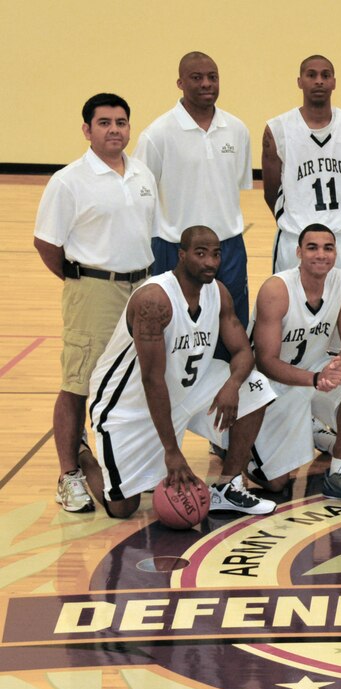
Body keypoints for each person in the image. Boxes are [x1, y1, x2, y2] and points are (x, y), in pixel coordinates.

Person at [87, 226, 277, 519]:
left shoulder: (218, 293)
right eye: (200, 253)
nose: (210, 262)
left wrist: (232, 385)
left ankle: (227, 485)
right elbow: (152, 380)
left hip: (187, 388)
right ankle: (82, 455)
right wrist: (172, 451)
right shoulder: (154, 301)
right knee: (123, 508)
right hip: (130, 404)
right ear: (181, 255)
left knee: (255, 386)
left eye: (216, 254)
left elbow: (242, 352)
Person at [34, 93, 158, 513]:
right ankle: (69, 474)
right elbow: (46, 243)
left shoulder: (142, 173)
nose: (114, 130)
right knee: (78, 382)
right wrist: (83, 281)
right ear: (87, 130)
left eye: (121, 122)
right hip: (94, 289)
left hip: (140, 287)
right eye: (103, 123)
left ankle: (126, 459)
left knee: (136, 378)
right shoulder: (68, 180)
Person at [249, 224, 341, 507]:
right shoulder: (276, 289)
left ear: (336, 253)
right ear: (298, 252)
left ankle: (339, 472)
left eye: (328, 248)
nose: (321, 254)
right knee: (276, 483)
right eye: (312, 247)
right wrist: (315, 378)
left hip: (314, 373)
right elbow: (265, 362)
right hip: (271, 385)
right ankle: (238, 444)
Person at [136, 52, 253, 327]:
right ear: (180, 82)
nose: (206, 84)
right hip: (174, 246)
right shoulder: (157, 134)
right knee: (174, 326)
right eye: (197, 78)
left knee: (231, 325)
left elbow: (235, 182)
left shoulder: (237, 130)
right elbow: (142, 193)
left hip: (229, 245)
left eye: (212, 77)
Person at [263, 55, 341, 277]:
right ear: (300, 81)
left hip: (340, 237)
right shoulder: (277, 129)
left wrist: (339, 214)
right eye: (311, 75)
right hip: (294, 238)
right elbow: (271, 193)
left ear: (334, 82)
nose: (319, 81)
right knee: (288, 308)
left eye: (325, 75)